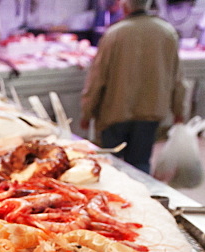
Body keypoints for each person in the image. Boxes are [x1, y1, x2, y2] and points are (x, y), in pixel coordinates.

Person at [80, 0, 186, 173]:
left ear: (125, 7)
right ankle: (140, 198)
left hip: (114, 112)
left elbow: (97, 79)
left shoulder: (115, 34)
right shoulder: (167, 32)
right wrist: (179, 110)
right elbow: (178, 78)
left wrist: (87, 111)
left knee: (109, 165)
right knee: (140, 164)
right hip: (150, 112)